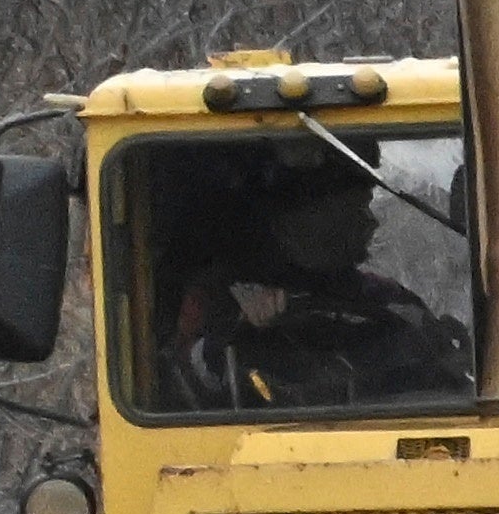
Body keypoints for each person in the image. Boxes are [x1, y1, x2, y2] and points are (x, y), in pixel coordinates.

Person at [163, 147, 473, 411]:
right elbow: (185, 383)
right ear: (298, 220)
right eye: (353, 208)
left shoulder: (387, 299)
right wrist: (242, 332)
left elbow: (447, 388)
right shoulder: (224, 298)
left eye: (364, 205)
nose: (371, 221)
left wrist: (447, 351)